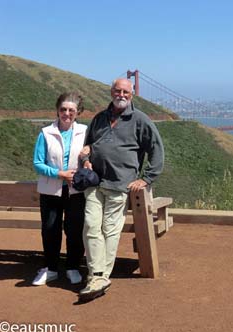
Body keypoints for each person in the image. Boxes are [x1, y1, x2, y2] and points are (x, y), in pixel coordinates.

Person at [79, 78, 164, 300]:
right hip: (95, 183)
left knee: (109, 230)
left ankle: (98, 276)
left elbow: (156, 150)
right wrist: (86, 158)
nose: (121, 95)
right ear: (111, 92)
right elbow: (88, 146)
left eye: (126, 91)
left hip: (119, 186)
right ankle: (99, 276)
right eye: (118, 91)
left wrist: (146, 179)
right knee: (90, 226)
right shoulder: (99, 119)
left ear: (132, 95)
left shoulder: (140, 120)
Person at [32, 93, 87, 286]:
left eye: (71, 110)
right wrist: (60, 174)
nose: (67, 113)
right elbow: (38, 163)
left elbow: (92, 157)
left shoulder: (85, 132)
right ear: (57, 110)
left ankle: (73, 267)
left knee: (75, 230)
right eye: (63, 109)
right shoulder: (45, 133)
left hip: (76, 191)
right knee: (50, 230)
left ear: (77, 112)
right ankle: (51, 269)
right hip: (50, 190)